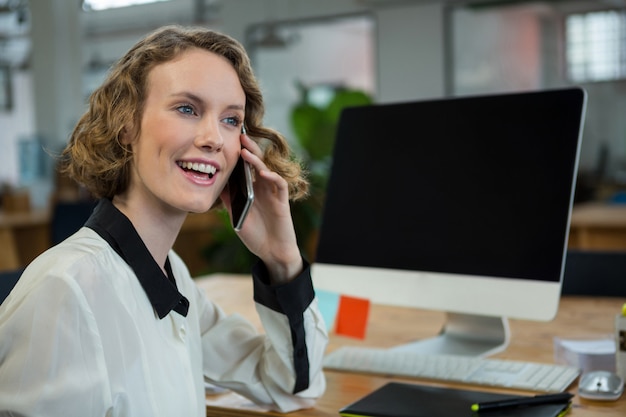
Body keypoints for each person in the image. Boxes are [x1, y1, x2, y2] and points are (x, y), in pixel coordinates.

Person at [0, 25, 328, 416]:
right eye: (187, 109)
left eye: (230, 120)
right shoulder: (67, 290)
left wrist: (282, 261)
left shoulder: (172, 275)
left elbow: (289, 385)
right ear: (126, 125)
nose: (214, 139)